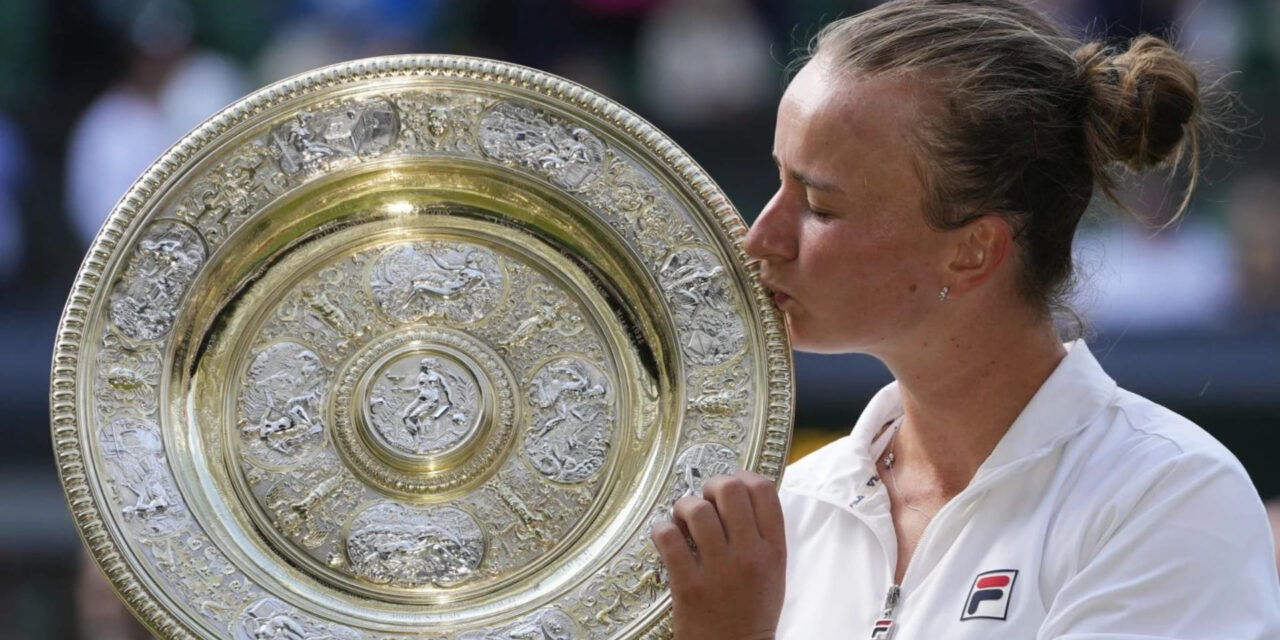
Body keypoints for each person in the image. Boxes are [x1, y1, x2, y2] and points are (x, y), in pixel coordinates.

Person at [649, 1, 1280, 638]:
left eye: (818, 205)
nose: (761, 238)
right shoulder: (790, 506)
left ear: (973, 250)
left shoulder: (1168, 497)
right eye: (778, 181)